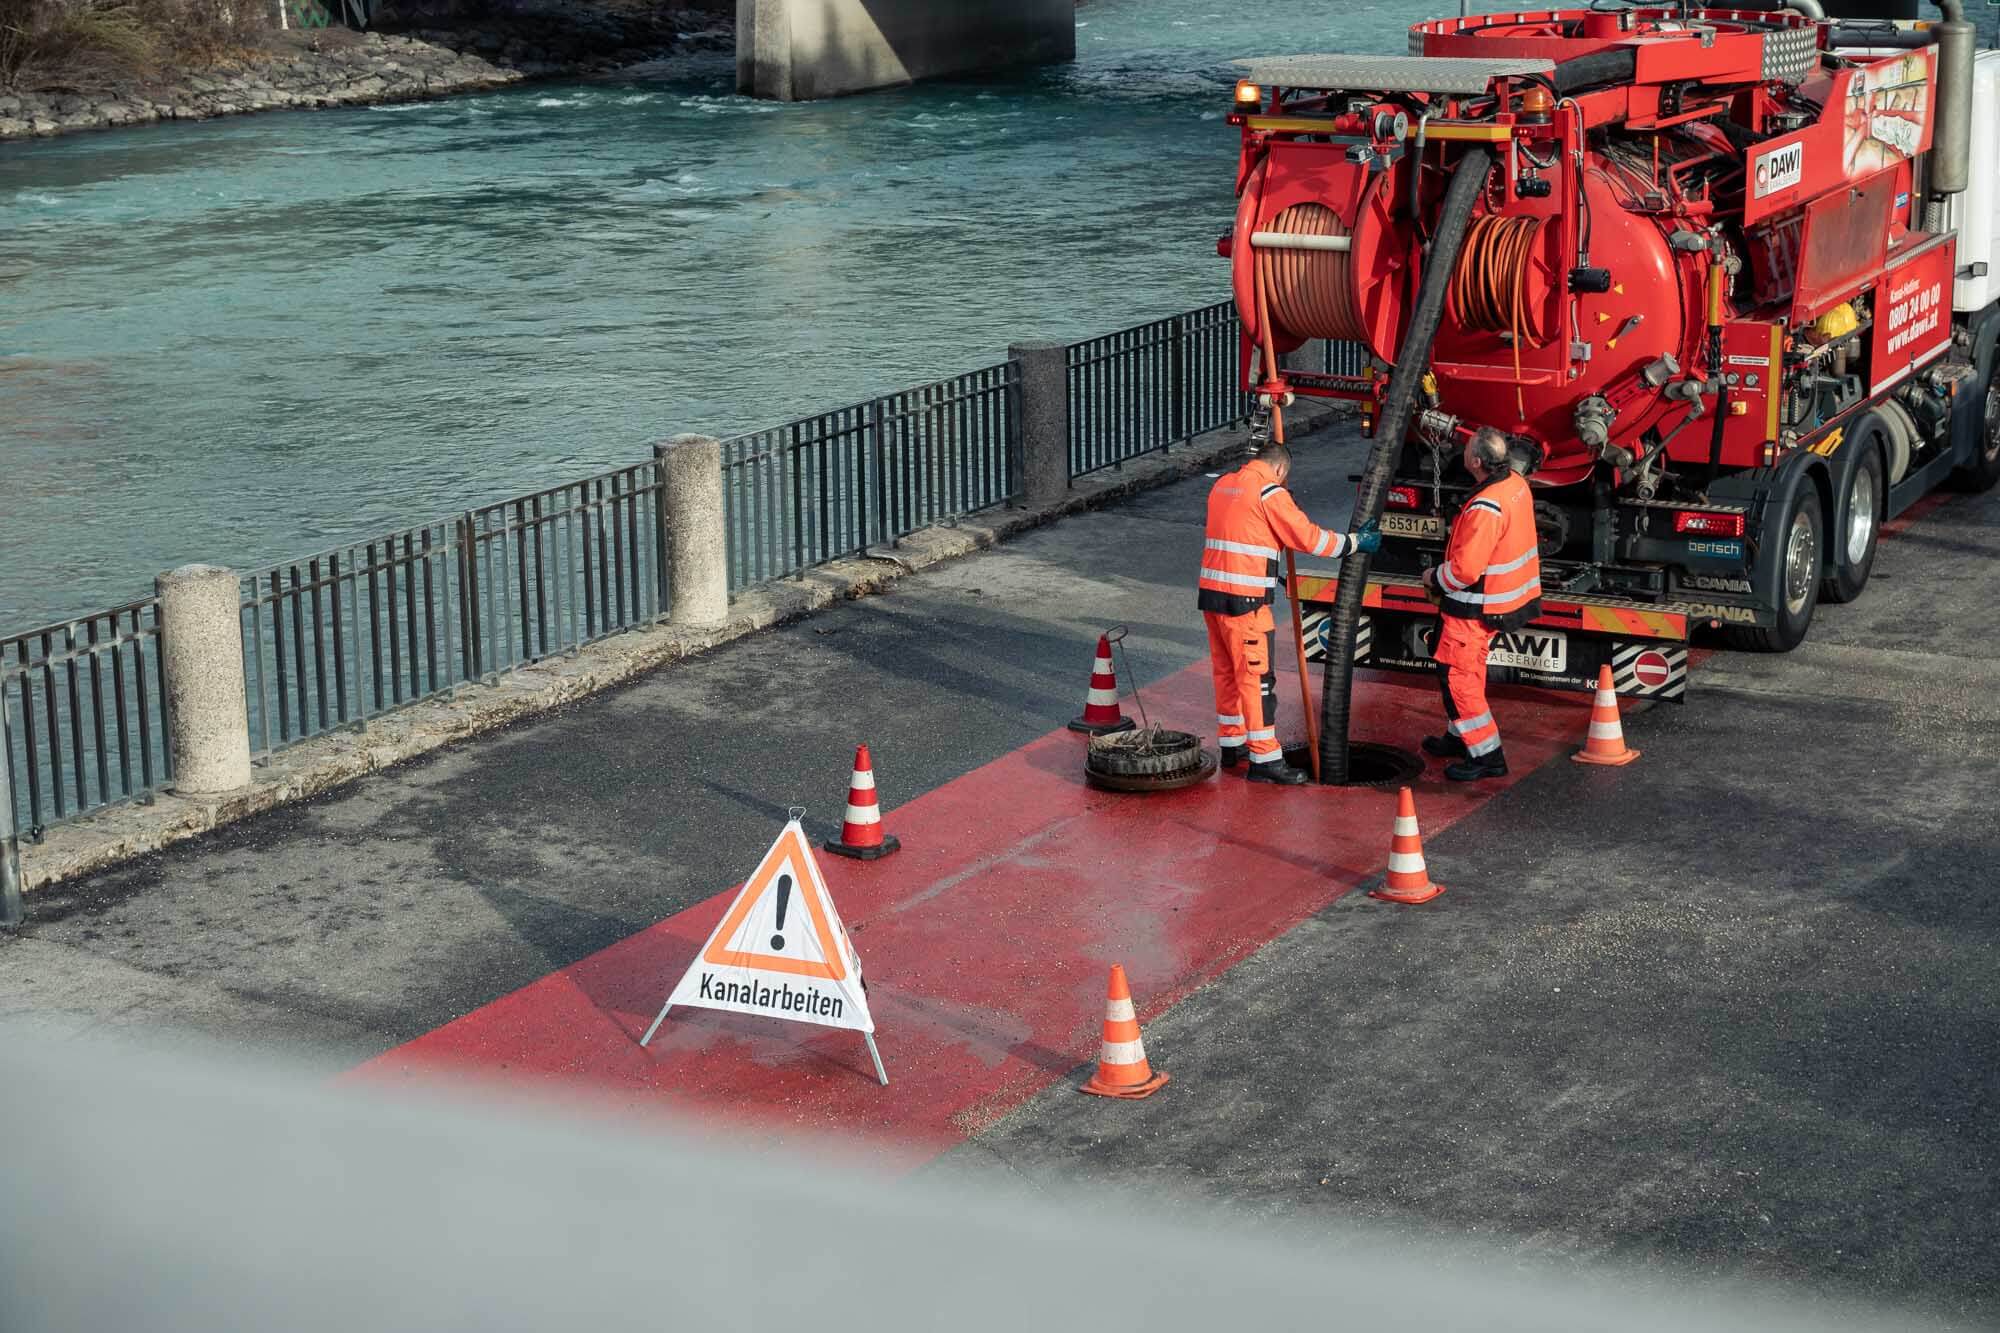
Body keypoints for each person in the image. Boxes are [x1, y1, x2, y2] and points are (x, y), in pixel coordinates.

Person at [1199, 443, 1379, 785]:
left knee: (1227, 673)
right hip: (1247, 603)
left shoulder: (1222, 484)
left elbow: (1244, 529)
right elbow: (1311, 540)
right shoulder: (1271, 495)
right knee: (1256, 680)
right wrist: (1356, 542)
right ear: (1280, 471)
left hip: (1212, 597)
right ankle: (1265, 759)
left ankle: (1232, 745)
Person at [1422, 427, 1544, 781]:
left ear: (1475, 462)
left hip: (1474, 606)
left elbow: (1464, 570)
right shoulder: (1515, 486)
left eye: (1468, 448)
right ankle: (1459, 736)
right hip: (1500, 600)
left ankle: (1487, 755)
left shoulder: (1485, 507)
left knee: (1459, 678)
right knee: (1463, 672)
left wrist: (1433, 577)